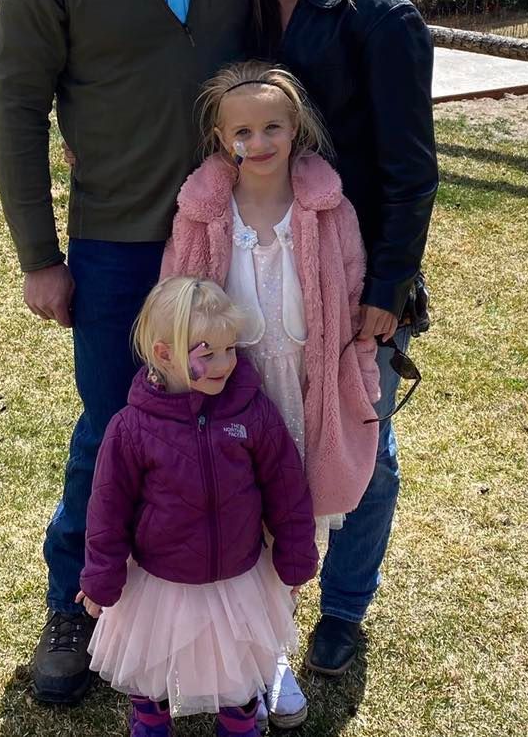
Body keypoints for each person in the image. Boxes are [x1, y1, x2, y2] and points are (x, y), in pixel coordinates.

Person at [0, 0, 252, 705]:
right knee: (116, 427)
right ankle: (75, 602)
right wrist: (39, 256)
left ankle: (226, 609)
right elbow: (19, 109)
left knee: (238, 416)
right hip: (117, 240)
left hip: (233, 235)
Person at [214, 0, 439, 679]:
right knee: (271, 425)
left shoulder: (376, 15)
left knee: (362, 443)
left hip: (355, 271)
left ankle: (344, 608)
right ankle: (261, 591)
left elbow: (412, 171)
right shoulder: (245, 11)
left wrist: (388, 287)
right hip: (268, 257)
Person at [161, 61, 383, 728]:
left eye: (272, 128)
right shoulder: (203, 213)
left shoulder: (329, 211)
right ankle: (239, 659)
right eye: (242, 132)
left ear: (296, 130)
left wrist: (360, 383)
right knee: (238, 527)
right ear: (219, 138)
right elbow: (175, 297)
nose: (257, 143)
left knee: (290, 530)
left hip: (307, 397)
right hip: (233, 401)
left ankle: (275, 655)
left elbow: (352, 302)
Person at [78, 276, 318, 737]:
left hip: (239, 576)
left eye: (230, 350)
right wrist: (101, 577)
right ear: (164, 353)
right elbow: (107, 509)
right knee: (151, 659)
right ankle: (150, 721)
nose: (224, 364)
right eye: (207, 354)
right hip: (159, 579)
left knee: (240, 658)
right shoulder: (131, 429)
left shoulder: (253, 412)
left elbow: (286, 489)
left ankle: (239, 724)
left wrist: (295, 557)